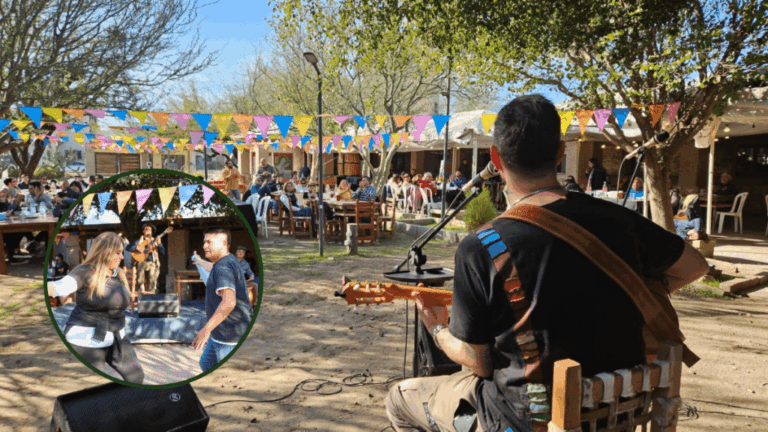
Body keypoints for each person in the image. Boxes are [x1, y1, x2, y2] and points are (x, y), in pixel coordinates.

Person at [385, 94, 710, 432]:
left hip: (528, 421)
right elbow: (694, 266)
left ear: (495, 158)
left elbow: (479, 363)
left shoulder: (482, 246)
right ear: (559, 154)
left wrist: (437, 329)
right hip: (620, 415)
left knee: (400, 398)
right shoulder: (622, 220)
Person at [48, 232, 144, 384]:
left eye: (121, 252)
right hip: (85, 338)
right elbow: (61, 287)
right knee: (95, 385)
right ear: (105, 252)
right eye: (117, 253)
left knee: (136, 377)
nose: (121, 257)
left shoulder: (118, 273)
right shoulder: (85, 271)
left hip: (116, 334)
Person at [191, 227, 254, 372]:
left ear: (224, 243)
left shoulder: (223, 267)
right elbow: (213, 267)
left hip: (229, 338)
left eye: (209, 242)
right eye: (204, 242)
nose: (204, 246)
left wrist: (206, 330)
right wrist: (200, 262)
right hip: (219, 334)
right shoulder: (227, 260)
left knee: (227, 376)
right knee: (206, 364)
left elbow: (229, 302)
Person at [125, 225, 167, 293]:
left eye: (149, 230)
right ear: (143, 231)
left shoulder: (155, 241)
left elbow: (163, 253)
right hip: (141, 261)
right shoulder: (139, 241)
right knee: (141, 264)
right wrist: (136, 248)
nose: (148, 230)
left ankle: (151, 292)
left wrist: (160, 244)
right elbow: (127, 247)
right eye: (146, 229)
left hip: (152, 263)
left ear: (151, 232)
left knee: (152, 270)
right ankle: (141, 286)